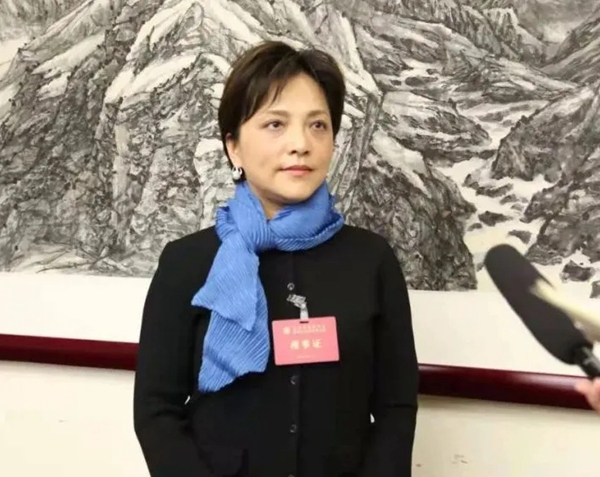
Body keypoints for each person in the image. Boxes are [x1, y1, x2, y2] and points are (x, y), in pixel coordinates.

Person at [133, 40, 419, 477]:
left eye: (318, 125)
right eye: (275, 124)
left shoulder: (372, 261)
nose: (300, 144)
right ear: (234, 147)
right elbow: (156, 410)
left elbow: (396, 407)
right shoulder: (187, 263)